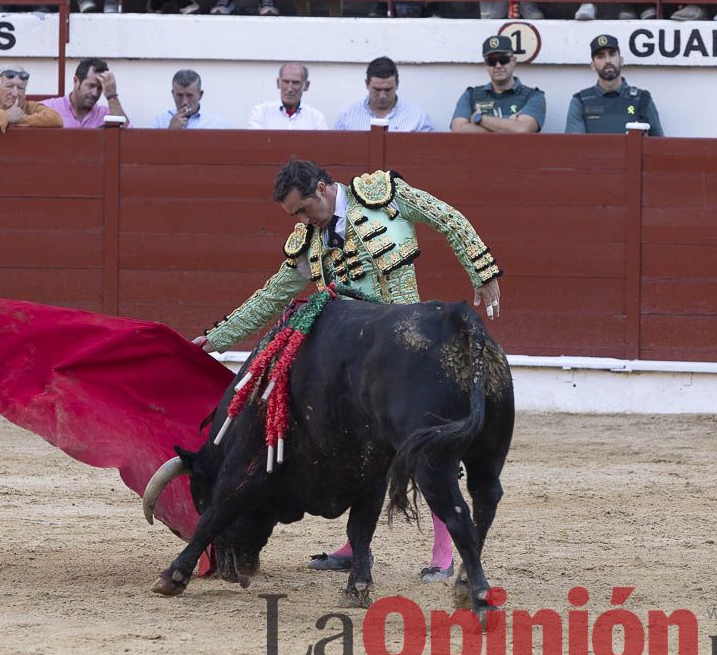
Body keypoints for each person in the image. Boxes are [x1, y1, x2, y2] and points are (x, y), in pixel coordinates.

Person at [192, 157, 502, 582]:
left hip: (405, 346)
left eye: (303, 210)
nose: (301, 221)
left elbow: (447, 218)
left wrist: (481, 270)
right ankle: (356, 547)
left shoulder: (382, 198)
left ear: (322, 188)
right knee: (351, 451)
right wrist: (215, 339)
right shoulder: (308, 241)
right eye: (293, 215)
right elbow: (269, 298)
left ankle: (443, 550)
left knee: (422, 443)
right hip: (350, 364)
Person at [565, 34, 664, 136]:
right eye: (600, 56)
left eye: (612, 54)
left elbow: (658, 146)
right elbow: (575, 147)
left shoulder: (642, 99)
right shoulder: (580, 101)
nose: (608, 61)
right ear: (593, 65)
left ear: (621, 61)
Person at [450, 35, 545, 133]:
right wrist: (509, 125)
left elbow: (522, 130)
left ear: (513, 61)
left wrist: (479, 119)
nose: (498, 65)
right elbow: (458, 130)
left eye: (503, 59)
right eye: (492, 61)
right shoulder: (470, 95)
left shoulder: (534, 96)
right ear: (486, 64)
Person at [334, 56, 435, 132]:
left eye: (388, 90)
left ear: (397, 84)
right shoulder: (347, 117)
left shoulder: (418, 119)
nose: (382, 95)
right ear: (367, 84)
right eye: (377, 89)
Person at [41, 58, 128, 129]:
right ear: (76, 81)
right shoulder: (49, 108)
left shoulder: (107, 115)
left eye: (100, 88)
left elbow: (128, 136)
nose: (95, 93)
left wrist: (111, 96)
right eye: (91, 86)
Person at [248, 63, 329, 130]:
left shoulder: (316, 118)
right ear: (278, 83)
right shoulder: (260, 113)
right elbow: (256, 146)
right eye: (286, 82)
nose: (290, 89)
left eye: (295, 83)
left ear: (306, 85)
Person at [150, 69, 230, 129]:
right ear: (173, 94)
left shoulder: (217, 124)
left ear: (200, 95)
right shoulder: (159, 122)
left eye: (190, 95)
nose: (184, 102)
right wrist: (170, 132)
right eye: (180, 95)